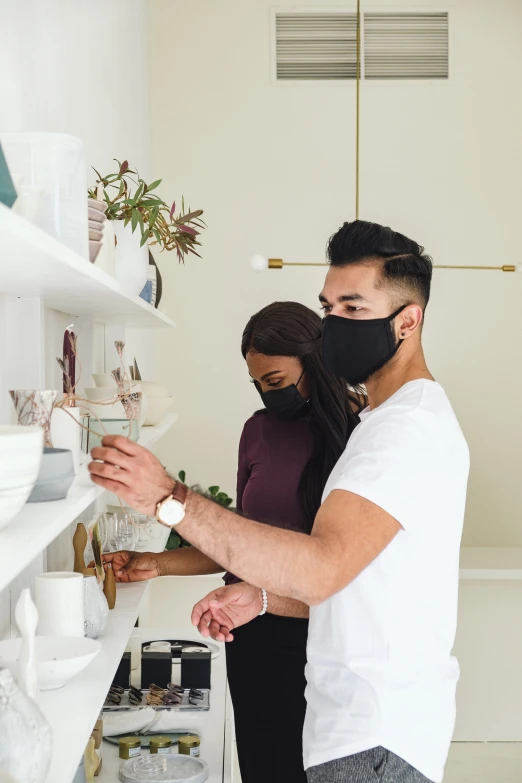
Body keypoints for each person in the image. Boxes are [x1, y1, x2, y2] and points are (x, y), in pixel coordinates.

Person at [89, 220, 470, 783]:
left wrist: (167, 499)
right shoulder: (384, 422)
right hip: (356, 726)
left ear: (408, 321)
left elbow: (318, 571)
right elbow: (354, 582)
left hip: (373, 738)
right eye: (329, 306)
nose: (335, 322)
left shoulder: (405, 431)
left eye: (354, 308)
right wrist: (263, 601)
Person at [99, 301, 362, 783]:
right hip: (253, 633)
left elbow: (354, 572)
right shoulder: (258, 432)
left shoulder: (364, 435)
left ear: (317, 359)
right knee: (266, 768)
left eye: (276, 381)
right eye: (258, 384)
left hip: (328, 636)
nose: (267, 395)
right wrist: (157, 563)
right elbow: (236, 540)